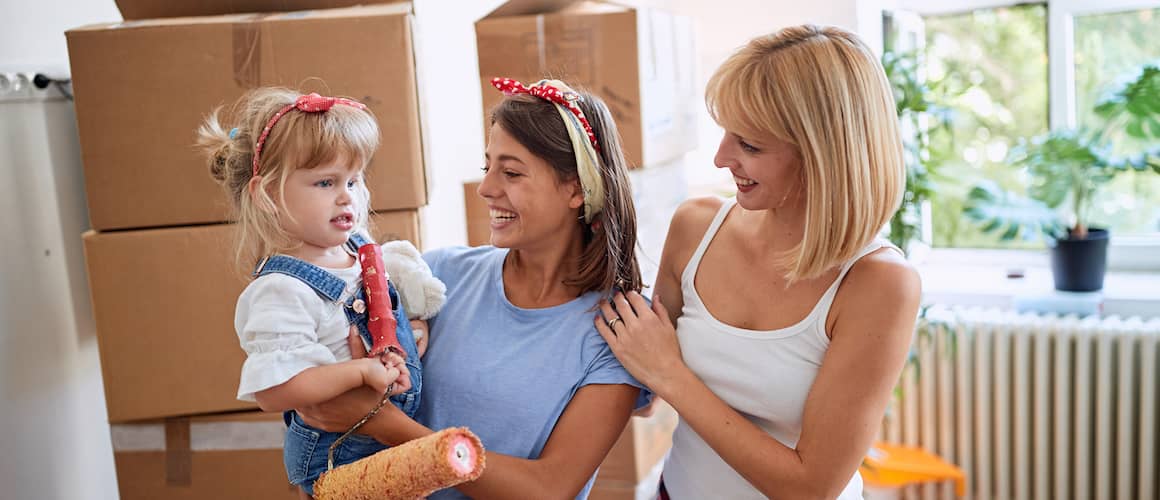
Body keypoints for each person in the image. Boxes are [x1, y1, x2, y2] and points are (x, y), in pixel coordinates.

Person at [594, 25, 922, 499]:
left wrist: (670, 373)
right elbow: (640, 393)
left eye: (749, 145)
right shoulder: (695, 228)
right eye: (726, 132)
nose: (721, 158)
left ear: (822, 156)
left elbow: (810, 487)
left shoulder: (878, 283)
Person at [294, 78, 649, 499]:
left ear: (576, 188)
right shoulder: (438, 275)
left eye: (512, 172)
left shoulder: (617, 331)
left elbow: (549, 488)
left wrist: (383, 423)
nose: (486, 189)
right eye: (488, 167)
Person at [198, 87, 446, 499]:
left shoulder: (359, 251)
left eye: (354, 178)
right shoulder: (282, 289)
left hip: (385, 440)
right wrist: (360, 372)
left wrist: (413, 328)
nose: (347, 195)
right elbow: (276, 389)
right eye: (325, 182)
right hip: (339, 454)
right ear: (269, 194)